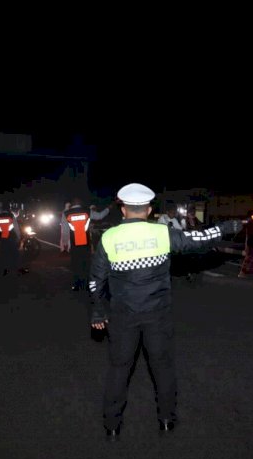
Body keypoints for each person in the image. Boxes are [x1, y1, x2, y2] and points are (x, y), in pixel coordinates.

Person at [89, 182, 241, 441]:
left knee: (119, 369)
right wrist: (228, 227)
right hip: (157, 315)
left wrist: (98, 313)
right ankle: (167, 420)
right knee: (162, 367)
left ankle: (112, 425)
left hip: (123, 317)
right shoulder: (162, 233)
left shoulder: (109, 237)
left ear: (123, 209)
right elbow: (199, 239)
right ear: (148, 209)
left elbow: (96, 281)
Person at [64, 197, 111, 291]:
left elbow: (65, 229)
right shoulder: (87, 211)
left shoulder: (66, 213)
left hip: (74, 243)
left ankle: (77, 284)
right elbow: (100, 216)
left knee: (75, 263)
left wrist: (65, 243)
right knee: (86, 263)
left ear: (72, 204)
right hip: (85, 243)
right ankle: (88, 284)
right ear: (80, 203)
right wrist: (108, 208)